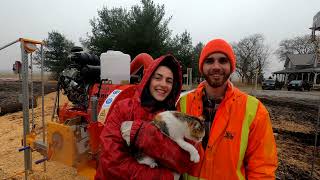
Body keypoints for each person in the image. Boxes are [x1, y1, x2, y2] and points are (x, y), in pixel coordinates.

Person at [176, 38, 278, 179]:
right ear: (202, 67)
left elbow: (263, 168)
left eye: (223, 60)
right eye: (209, 61)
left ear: (231, 66)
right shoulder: (182, 104)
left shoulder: (255, 110)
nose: (216, 66)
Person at [95, 54, 195, 180]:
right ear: (148, 80)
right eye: (158, 78)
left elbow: (185, 160)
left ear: (173, 86)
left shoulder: (173, 115)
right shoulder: (123, 109)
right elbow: (111, 163)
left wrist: (142, 133)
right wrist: (163, 176)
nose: (163, 84)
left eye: (169, 81)